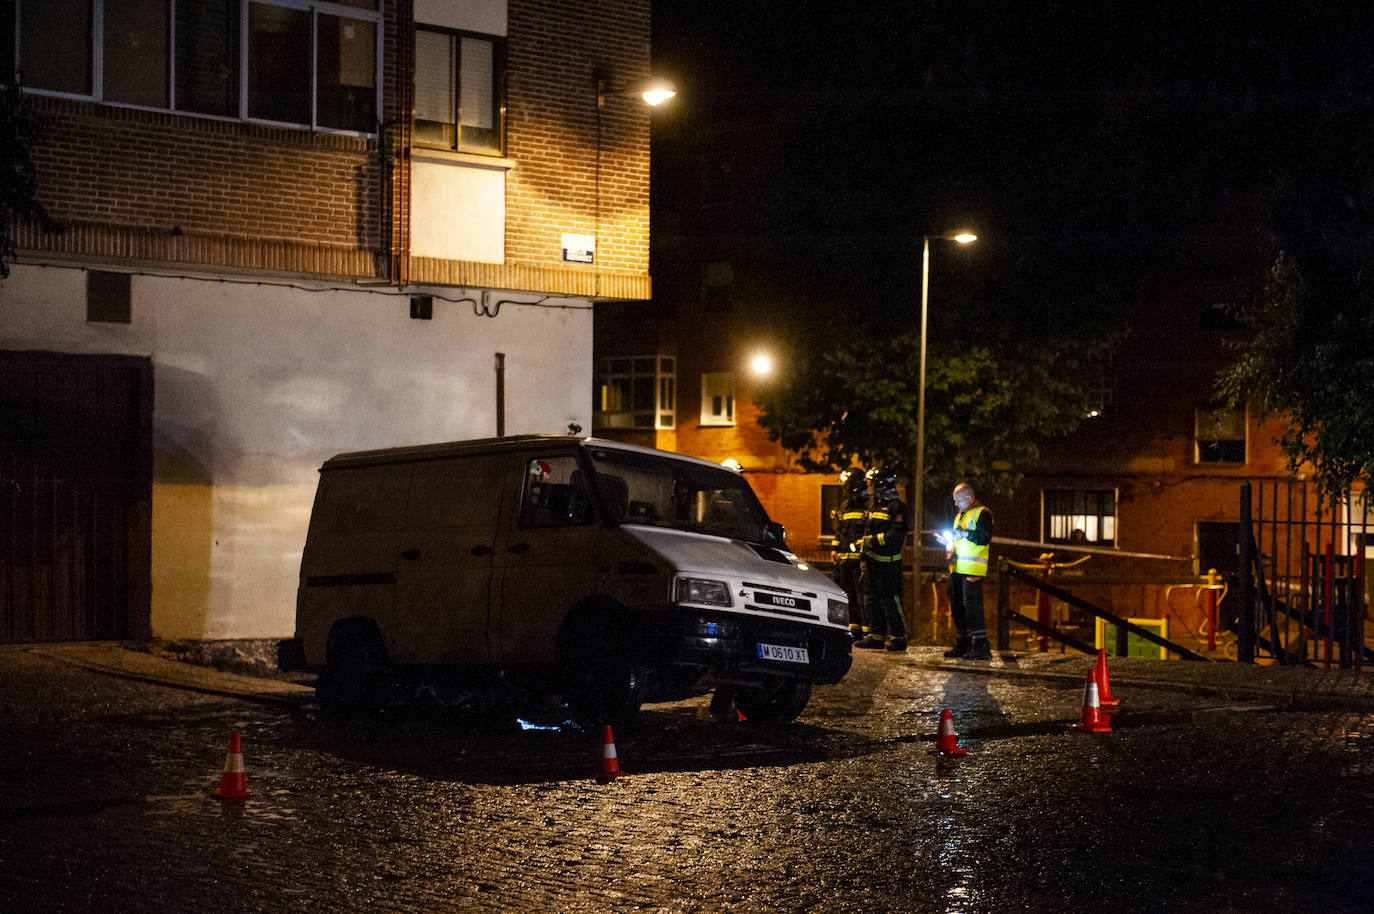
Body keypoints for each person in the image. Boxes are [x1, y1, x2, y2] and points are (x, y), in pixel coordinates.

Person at [855, 468, 908, 652]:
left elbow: (896, 534)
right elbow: (867, 530)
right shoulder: (874, 505)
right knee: (872, 600)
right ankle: (876, 637)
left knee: (890, 601)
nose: (868, 488)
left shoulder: (896, 506)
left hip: (889, 564)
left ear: (880, 485)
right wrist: (864, 550)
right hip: (872, 562)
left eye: (871, 484)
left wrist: (873, 540)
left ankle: (899, 638)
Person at [944, 482, 994, 660]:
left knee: (972, 608)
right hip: (956, 568)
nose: (955, 504)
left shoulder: (983, 514)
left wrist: (963, 534)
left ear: (968, 497)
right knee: (957, 607)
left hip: (973, 569)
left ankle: (981, 646)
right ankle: (963, 644)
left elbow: (984, 538)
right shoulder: (960, 515)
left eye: (957, 500)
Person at [832, 467, 870, 642]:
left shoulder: (868, 505)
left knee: (863, 597)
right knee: (848, 596)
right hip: (844, 561)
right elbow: (839, 531)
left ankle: (867, 631)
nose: (844, 488)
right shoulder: (844, 506)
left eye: (847, 485)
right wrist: (835, 548)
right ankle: (853, 629)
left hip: (860, 562)